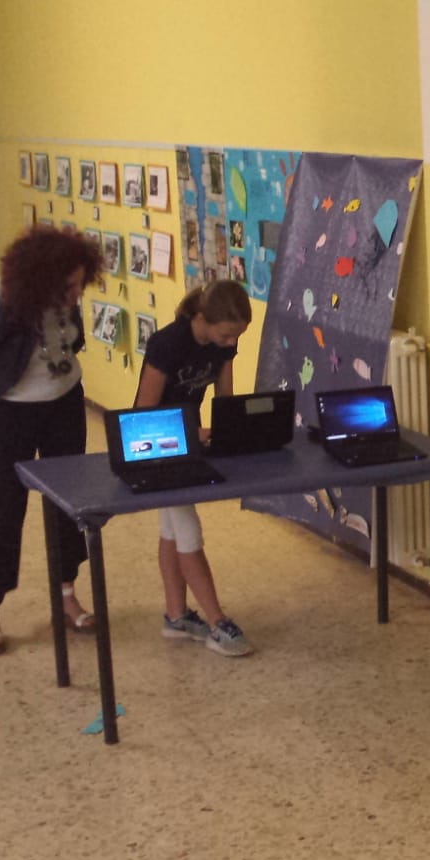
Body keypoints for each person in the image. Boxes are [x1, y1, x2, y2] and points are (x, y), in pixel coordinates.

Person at [0, 226, 104, 656]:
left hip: (64, 403)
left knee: (69, 502)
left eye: (80, 283)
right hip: (12, 411)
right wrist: (4, 318)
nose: (78, 293)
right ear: (42, 279)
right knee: (3, 504)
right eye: (70, 286)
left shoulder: (67, 298)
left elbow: (71, 341)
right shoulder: (2, 300)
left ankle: (67, 594)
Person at [135, 279, 255, 656]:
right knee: (187, 530)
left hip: (189, 445)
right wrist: (195, 431)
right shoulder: (167, 344)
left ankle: (176, 616)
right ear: (202, 318)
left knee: (171, 529)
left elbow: (225, 402)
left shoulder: (224, 346)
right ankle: (217, 622)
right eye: (226, 335)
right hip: (155, 446)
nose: (230, 343)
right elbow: (141, 414)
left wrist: (231, 431)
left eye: (237, 337)